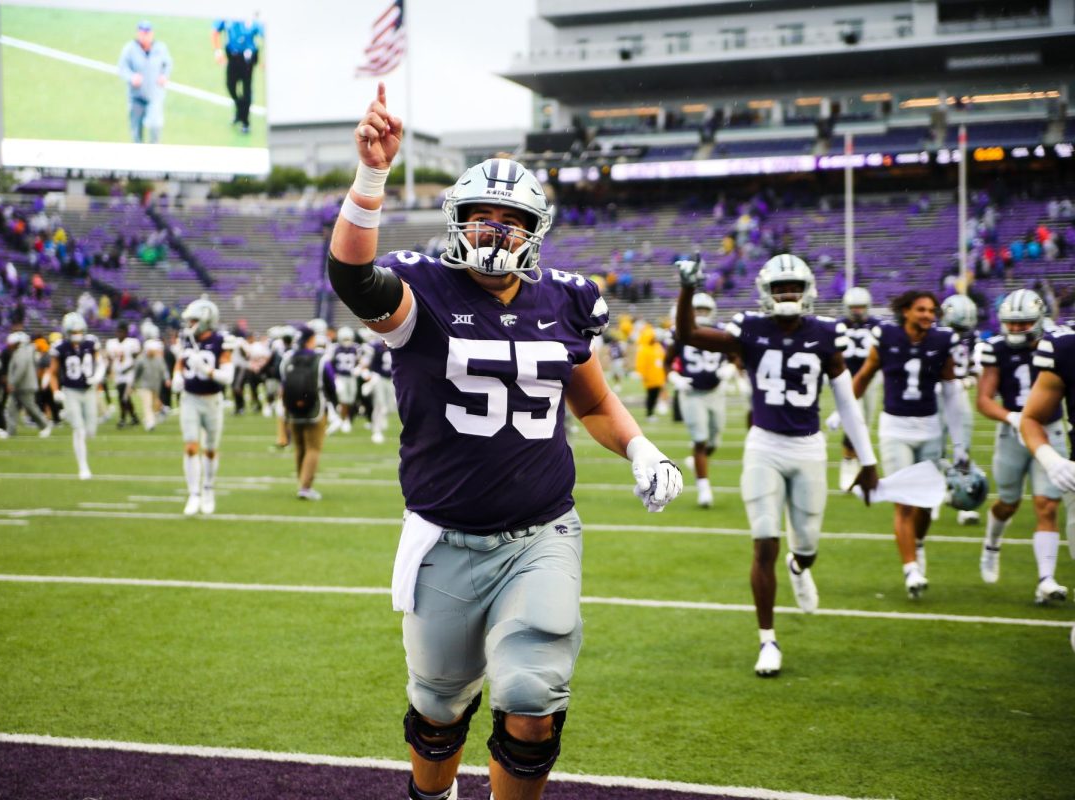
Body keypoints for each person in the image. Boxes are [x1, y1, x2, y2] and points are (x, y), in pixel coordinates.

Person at [328, 85, 683, 800]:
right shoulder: (423, 290)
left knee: (531, 698)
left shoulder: (565, 300)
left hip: (540, 535)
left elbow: (594, 400)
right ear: (456, 221)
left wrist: (642, 447)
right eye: (481, 217)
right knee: (437, 708)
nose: (494, 231)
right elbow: (352, 275)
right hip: (445, 539)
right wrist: (372, 176)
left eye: (511, 219)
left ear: (535, 229)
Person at [676, 253, 879, 677]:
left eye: (794, 288)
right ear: (766, 293)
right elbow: (690, 334)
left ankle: (799, 567)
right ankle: (767, 638)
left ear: (808, 292)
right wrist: (688, 289)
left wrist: (867, 458)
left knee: (805, 547)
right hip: (764, 446)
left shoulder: (827, 333)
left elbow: (847, 401)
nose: (788, 295)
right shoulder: (749, 327)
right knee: (764, 540)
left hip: (808, 449)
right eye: (779, 288)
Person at [853, 290, 967, 599]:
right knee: (904, 501)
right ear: (906, 311)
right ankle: (910, 569)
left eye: (932, 311)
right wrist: (845, 410)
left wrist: (959, 444)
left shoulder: (943, 341)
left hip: (930, 428)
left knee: (928, 502)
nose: (928, 315)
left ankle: (916, 545)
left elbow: (952, 392)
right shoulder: (886, 336)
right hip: (895, 428)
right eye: (921, 310)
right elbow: (864, 376)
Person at [983, 291, 1068, 604]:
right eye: (1012, 324)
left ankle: (1045, 579)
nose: (1017, 329)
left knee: (1047, 505)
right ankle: (992, 545)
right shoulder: (996, 349)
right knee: (1008, 502)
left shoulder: (1057, 345)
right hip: (1013, 432)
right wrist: (1013, 417)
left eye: (1024, 323)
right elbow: (983, 399)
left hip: (1050, 429)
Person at [172, 298, 233, 516]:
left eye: (194, 320)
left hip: (212, 400)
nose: (190, 325)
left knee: (210, 449)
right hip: (189, 398)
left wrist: (207, 370)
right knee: (190, 446)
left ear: (206, 320)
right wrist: (177, 376)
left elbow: (228, 376)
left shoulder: (221, 341)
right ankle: (193, 493)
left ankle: (208, 488)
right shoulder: (186, 338)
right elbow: (180, 362)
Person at [669, 293, 728, 508]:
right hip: (692, 393)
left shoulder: (721, 331)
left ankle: (696, 463)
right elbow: (666, 362)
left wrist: (729, 368)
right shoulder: (679, 333)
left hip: (715, 393)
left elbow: (735, 356)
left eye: (705, 310)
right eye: (698, 310)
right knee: (700, 440)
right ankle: (704, 489)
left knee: (714, 441)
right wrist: (675, 377)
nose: (702, 314)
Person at [280, 325, 337, 500]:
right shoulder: (321, 359)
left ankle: (301, 482)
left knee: (299, 448)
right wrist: (335, 404)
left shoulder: (287, 359)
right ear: (311, 340)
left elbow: (283, 382)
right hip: (315, 409)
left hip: (292, 409)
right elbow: (330, 384)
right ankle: (305, 487)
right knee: (313, 448)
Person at [939, 293, 981, 525]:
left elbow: (975, 369)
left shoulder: (972, 338)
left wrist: (966, 382)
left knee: (962, 449)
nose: (960, 332)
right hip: (935, 397)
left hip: (958, 397)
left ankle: (964, 503)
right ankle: (934, 496)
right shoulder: (934, 336)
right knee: (934, 450)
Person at [48, 312, 105, 480]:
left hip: (88, 390)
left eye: (79, 330)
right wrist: (56, 391)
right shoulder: (60, 347)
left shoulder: (90, 343)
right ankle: (83, 467)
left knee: (91, 431)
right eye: (74, 332)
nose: (77, 334)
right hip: (71, 390)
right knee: (78, 430)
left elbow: (100, 363)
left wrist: (97, 377)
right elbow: (52, 372)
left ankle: (69, 414)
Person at [835, 286, 880, 490]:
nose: (857, 311)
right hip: (848, 378)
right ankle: (848, 461)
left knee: (866, 422)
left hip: (871, 378)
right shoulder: (839, 326)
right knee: (856, 420)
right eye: (854, 307)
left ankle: (859, 462)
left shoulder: (876, 326)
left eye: (861, 307)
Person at [117, 20, 172, 144]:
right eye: (142, 33)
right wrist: (131, 77)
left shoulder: (160, 48)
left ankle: (154, 150)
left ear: (151, 34)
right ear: (138, 33)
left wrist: (164, 76)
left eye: (147, 33)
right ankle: (138, 154)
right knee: (136, 129)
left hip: (155, 94)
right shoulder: (130, 49)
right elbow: (122, 67)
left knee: (155, 125)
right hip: (136, 96)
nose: (144, 36)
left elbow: (168, 64)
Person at [211, 14, 264, 134]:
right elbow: (215, 31)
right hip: (233, 57)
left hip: (248, 60)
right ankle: (240, 111)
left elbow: (265, 33)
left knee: (246, 90)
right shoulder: (228, 15)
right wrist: (218, 52)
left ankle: (245, 121)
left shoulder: (253, 19)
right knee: (230, 86)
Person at [4, 331, 52, 438]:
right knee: (12, 408)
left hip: (24, 385)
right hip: (21, 385)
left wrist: (12, 382)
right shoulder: (25, 350)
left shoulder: (23, 351)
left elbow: (21, 368)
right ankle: (10, 431)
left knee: (30, 408)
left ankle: (45, 425)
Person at [106, 322, 141, 428]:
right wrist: (108, 369)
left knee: (123, 397)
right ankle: (134, 417)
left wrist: (131, 369)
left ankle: (122, 419)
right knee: (124, 397)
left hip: (129, 374)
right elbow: (110, 359)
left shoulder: (132, 343)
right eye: (118, 331)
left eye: (122, 332)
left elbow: (137, 359)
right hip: (118, 374)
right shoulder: (111, 343)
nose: (119, 334)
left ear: (126, 333)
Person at [133, 338, 170, 432]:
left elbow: (164, 370)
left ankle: (149, 418)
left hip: (156, 386)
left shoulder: (159, 359)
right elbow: (136, 373)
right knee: (147, 404)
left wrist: (167, 379)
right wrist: (133, 384)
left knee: (154, 405)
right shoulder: (141, 359)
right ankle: (150, 423)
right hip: (144, 386)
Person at [330, 325, 361, 433]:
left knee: (351, 399)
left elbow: (360, 361)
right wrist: (334, 376)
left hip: (351, 377)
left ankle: (344, 418)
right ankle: (344, 420)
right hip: (340, 376)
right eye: (345, 339)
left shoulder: (356, 348)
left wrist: (358, 368)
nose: (347, 341)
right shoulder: (335, 348)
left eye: (348, 339)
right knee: (343, 399)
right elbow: (330, 363)